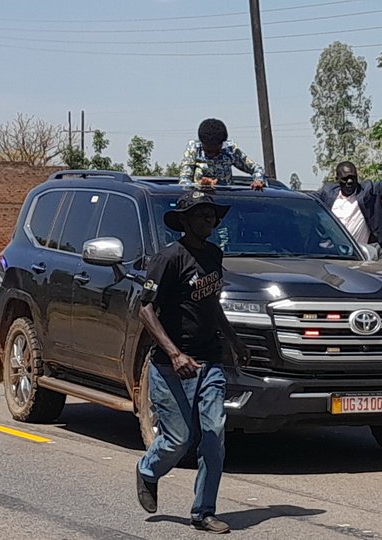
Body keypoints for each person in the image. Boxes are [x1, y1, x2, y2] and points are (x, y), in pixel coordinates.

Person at [135, 190, 250, 534]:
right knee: (178, 439)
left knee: (214, 434)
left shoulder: (214, 255)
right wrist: (174, 353)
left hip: (209, 360)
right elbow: (145, 309)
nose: (208, 220)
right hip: (170, 367)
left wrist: (234, 340)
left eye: (212, 215)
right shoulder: (169, 259)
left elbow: (211, 304)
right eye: (201, 215)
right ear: (184, 221)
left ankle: (203, 512)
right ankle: (147, 470)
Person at [316, 161, 382, 260]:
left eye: (353, 177)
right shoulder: (327, 194)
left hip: (359, 257)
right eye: (345, 179)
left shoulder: (369, 192)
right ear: (337, 179)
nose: (350, 182)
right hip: (330, 256)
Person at [178, 118, 266, 190]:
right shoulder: (194, 149)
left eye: (216, 151)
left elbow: (257, 169)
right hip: (199, 203)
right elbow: (184, 181)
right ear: (201, 143)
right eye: (208, 151)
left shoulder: (230, 150)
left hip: (226, 201)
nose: (212, 155)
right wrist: (200, 185)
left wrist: (258, 180)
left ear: (222, 143)